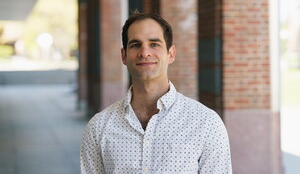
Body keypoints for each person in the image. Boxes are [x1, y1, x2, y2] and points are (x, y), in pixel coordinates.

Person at [80, 12, 232, 174]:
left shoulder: (206, 123)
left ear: (171, 54)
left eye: (154, 44)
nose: (145, 53)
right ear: (124, 56)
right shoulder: (98, 127)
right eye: (135, 45)